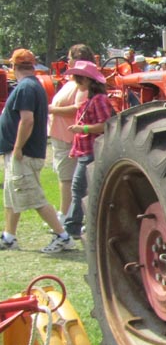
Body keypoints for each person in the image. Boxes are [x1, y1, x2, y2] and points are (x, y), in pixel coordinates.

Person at [0, 48, 76, 252]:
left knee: (35, 198)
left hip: (24, 153)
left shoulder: (25, 87)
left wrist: (17, 148)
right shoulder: (33, 85)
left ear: (13, 67)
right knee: (11, 195)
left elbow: (27, 120)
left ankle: (63, 237)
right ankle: (9, 237)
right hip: (23, 152)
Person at [63, 60, 114, 241]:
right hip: (86, 152)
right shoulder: (92, 99)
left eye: (78, 79)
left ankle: (72, 228)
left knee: (79, 189)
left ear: (86, 80)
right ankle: (76, 226)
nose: (76, 83)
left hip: (92, 152)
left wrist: (83, 130)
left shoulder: (99, 100)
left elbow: (105, 126)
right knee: (81, 190)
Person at [48, 43, 95, 221]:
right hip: (64, 135)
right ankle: (71, 214)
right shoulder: (74, 81)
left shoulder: (83, 82)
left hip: (70, 137)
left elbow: (79, 108)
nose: (67, 61)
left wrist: (52, 110)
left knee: (68, 178)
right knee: (68, 177)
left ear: (77, 60)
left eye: (69, 58)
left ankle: (66, 214)